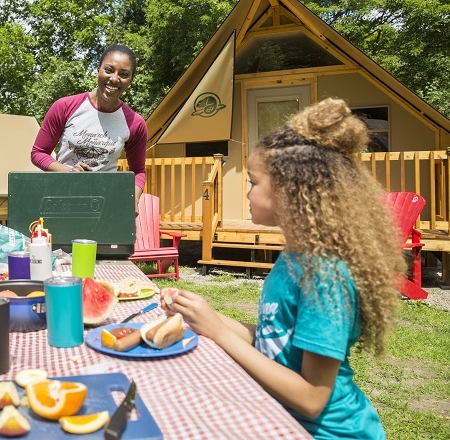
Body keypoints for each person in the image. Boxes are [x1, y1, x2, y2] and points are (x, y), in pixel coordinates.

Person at [161, 98, 401, 439]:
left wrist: (219, 331)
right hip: (280, 419)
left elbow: (312, 398)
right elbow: (275, 337)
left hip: (331, 432)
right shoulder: (293, 257)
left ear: (289, 190)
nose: (246, 193)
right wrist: (200, 314)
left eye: (253, 182)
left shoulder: (324, 277)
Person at [30, 44, 148, 207]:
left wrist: (133, 198)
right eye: (109, 70)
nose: (114, 78)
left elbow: (138, 172)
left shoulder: (135, 123)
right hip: (60, 199)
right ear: (98, 69)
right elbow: (38, 153)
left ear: (131, 80)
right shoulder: (65, 107)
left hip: (104, 204)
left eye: (124, 74)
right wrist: (70, 172)